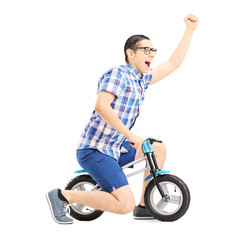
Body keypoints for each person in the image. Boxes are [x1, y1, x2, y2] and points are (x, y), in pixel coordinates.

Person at [46, 14, 199, 224]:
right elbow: (101, 105)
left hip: (116, 147)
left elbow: (173, 63)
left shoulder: (141, 79)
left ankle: (145, 206)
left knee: (157, 148)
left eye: (153, 50)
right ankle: (62, 196)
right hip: (95, 150)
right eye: (146, 50)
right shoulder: (118, 74)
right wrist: (130, 135)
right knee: (123, 205)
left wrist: (190, 30)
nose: (151, 55)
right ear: (130, 53)